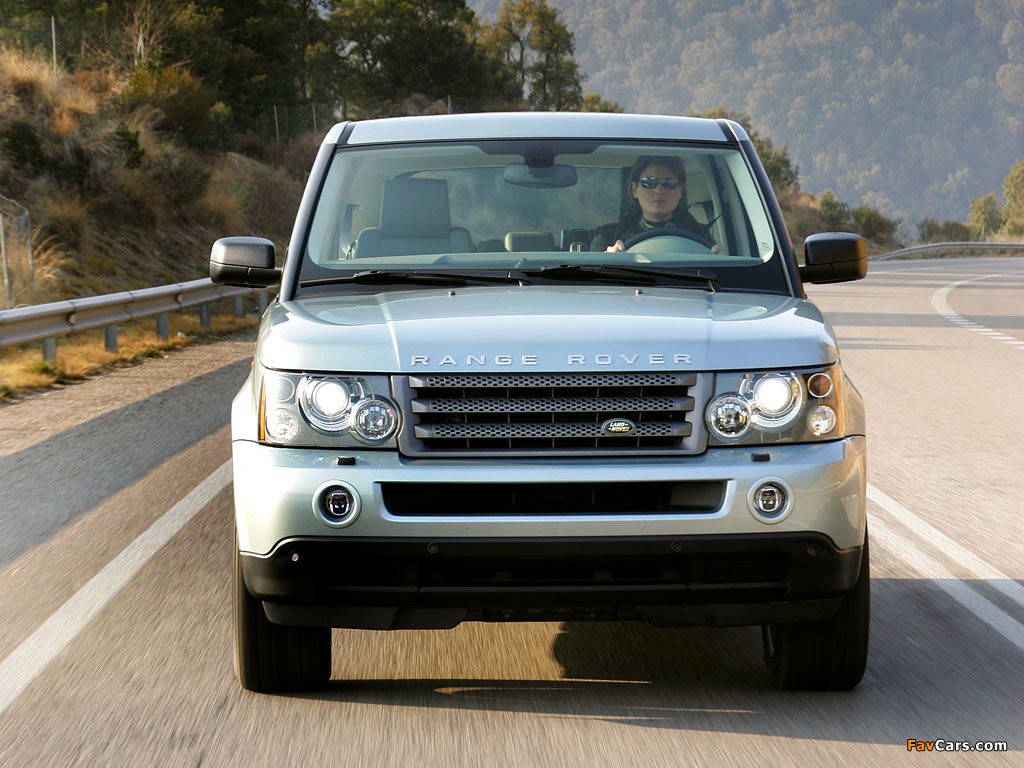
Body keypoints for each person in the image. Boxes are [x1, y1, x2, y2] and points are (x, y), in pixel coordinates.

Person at [591, 155, 720, 253]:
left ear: (681, 190)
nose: (659, 190)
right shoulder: (607, 238)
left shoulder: (702, 238)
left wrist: (718, 261)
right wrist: (607, 264)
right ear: (634, 189)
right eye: (649, 182)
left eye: (669, 183)